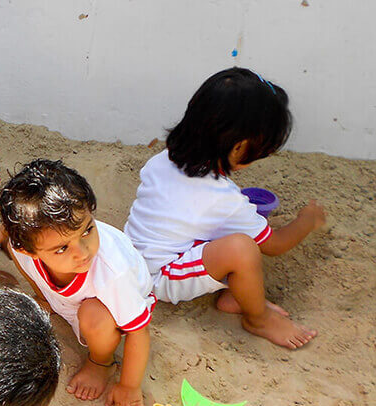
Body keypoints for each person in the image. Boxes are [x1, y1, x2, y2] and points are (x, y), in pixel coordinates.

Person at [124, 67, 325, 349]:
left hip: (131, 257)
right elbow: (275, 244)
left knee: (230, 233)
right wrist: (307, 220)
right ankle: (258, 318)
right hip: (158, 278)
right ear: (239, 147)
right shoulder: (222, 198)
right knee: (243, 249)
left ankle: (238, 295)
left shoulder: (163, 159)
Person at [0, 160, 155, 406]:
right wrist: (1, 231)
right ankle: (47, 297)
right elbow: (13, 238)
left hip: (115, 308)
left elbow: (139, 331)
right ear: (29, 248)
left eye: (87, 230)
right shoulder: (23, 245)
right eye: (62, 248)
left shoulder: (113, 272)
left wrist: (129, 386)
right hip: (67, 294)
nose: (83, 252)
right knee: (12, 247)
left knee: (94, 315)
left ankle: (101, 362)